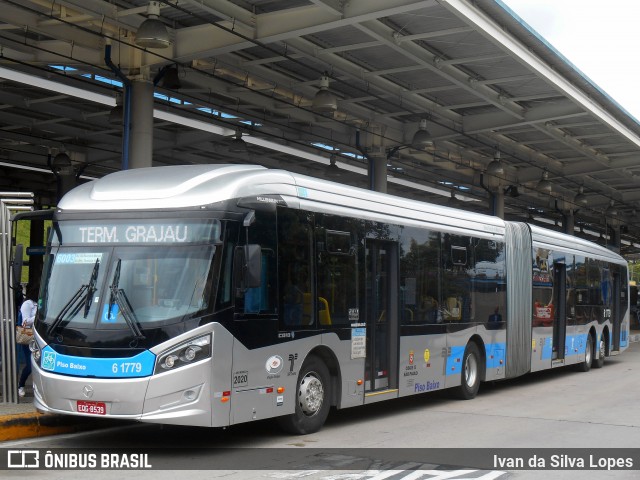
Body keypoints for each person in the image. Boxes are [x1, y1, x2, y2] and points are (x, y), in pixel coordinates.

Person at [18, 284, 38, 398]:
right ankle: (21, 385)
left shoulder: (38, 304)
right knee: (30, 364)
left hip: (38, 337)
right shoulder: (28, 304)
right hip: (28, 337)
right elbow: (25, 322)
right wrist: (38, 316)